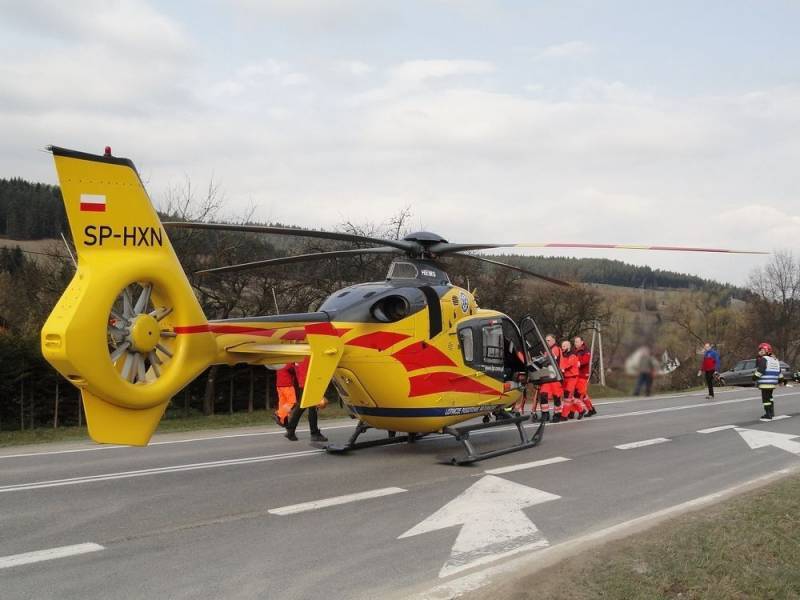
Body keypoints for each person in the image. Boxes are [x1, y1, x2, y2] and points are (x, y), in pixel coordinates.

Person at [285, 357, 328, 442]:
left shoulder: (298, 353)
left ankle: (290, 430)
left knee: (302, 406)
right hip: (309, 381)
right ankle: (314, 433)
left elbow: (291, 366)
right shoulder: (307, 353)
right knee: (313, 407)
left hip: (302, 381)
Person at [753, 342, 783, 420]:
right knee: (770, 397)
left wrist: (754, 377)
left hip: (765, 383)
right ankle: (772, 412)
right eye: (760, 350)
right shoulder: (775, 359)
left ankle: (768, 414)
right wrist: (781, 381)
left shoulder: (764, 359)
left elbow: (760, 370)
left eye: (761, 350)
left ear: (766, 350)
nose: (760, 351)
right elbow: (779, 372)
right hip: (772, 383)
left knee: (765, 399)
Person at [538, 334, 563, 422]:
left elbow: (550, 360)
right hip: (548, 377)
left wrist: (540, 361)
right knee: (543, 395)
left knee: (556, 396)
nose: (546, 342)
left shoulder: (555, 348)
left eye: (548, 340)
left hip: (555, 377)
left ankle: (557, 415)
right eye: (546, 340)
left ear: (553, 340)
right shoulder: (547, 350)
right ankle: (545, 414)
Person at [559, 339, 585, 420]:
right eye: (562, 346)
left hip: (572, 377)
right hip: (566, 377)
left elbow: (568, 365)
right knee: (568, 396)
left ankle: (564, 415)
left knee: (567, 395)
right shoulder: (563, 354)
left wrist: (560, 368)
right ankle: (581, 410)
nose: (562, 348)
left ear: (568, 346)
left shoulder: (572, 355)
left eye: (564, 346)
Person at [574, 336, 596, 416]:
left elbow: (585, 361)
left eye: (577, 341)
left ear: (582, 342)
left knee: (578, 394)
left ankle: (572, 412)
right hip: (576, 374)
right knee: (582, 394)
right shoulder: (575, 351)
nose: (575, 343)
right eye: (575, 342)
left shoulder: (585, 350)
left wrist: (577, 363)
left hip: (583, 375)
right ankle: (591, 409)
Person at [273, 363, 297, 427]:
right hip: (287, 385)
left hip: (279, 385)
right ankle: (279, 414)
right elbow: (294, 370)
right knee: (292, 402)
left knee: (283, 403)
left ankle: (283, 420)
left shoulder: (280, 362)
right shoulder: (288, 362)